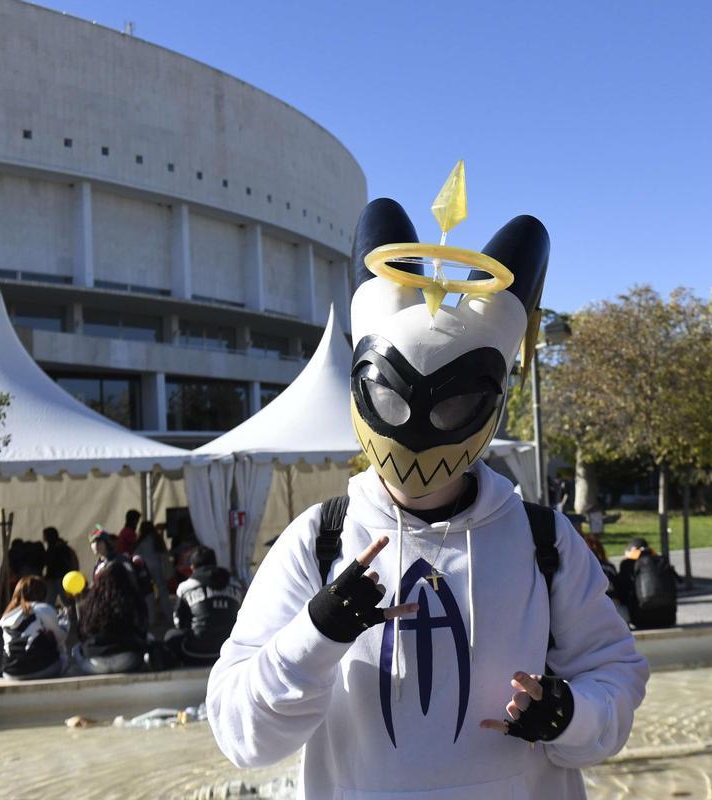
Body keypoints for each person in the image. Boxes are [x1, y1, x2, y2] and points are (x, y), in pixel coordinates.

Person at [207, 193, 648, 799]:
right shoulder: (318, 540)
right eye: (391, 398)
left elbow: (616, 674)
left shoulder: (543, 541)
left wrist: (570, 715)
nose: (418, 429)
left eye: (453, 405)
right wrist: (316, 634)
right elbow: (241, 735)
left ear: (489, 401)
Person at [164, 546, 244, 665]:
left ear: (192, 567)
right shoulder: (236, 585)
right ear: (215, 563)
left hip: (195, 652)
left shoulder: (185, 587)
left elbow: (179, 622)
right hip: (231, 652)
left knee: (170, 636)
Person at [72, 559, 148, 675]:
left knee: (76, 649)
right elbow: (143, 627)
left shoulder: (91, 602)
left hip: (94, 664)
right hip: (126, 660)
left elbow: (82, 634)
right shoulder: (132, 598)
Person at [0, 575, 68, 680]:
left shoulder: (6, 616)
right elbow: (60, 637)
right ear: (43, 592)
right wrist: (64, 622)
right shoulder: (43, 609)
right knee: (65, 658)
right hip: (41, 670)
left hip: (10, 673)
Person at [616, 537, 678, 629]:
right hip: (669, 618)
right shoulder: (661, 560)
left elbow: (622, 594)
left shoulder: (627, 564)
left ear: (632, 550)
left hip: (641, 620)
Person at [134, 520, 172, 624]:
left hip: (145, 568)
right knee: (163, 591)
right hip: (159, 567)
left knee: (148, 594)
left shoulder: (141, 541)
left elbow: (135, 555)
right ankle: (170, 617)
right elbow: (165, 552)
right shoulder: (157, 539)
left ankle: (151, 620)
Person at [42, 526, 79, 603]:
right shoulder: (60, 546)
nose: (43, 537)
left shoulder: (55, 548)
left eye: (44, 535)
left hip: (59, 578)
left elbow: (52, 563)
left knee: (58, 600)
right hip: (59, 577)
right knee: (62, 600)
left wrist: (47, 576)